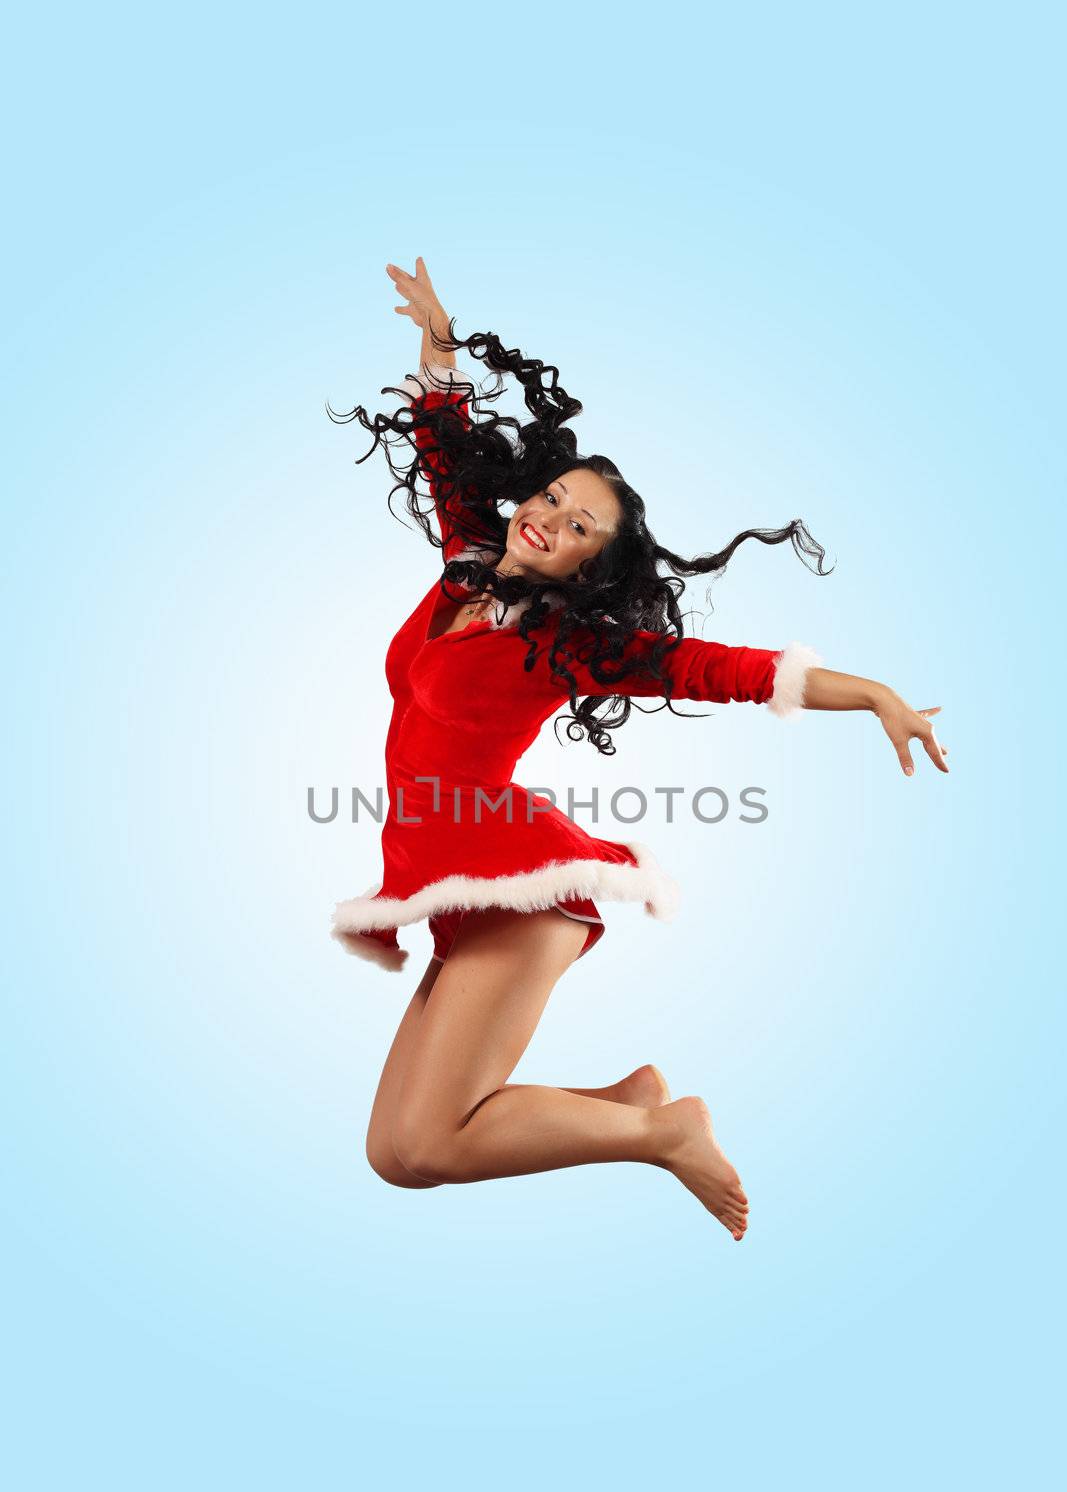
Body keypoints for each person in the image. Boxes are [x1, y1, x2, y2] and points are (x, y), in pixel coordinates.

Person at [325, 257, 949, 1241]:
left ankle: (660, 1131)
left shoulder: (571, 641)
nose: (549, 518)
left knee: (439, 1144)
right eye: (553, 498)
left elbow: (722, 669)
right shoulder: (465, 566)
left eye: (579, 526)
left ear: (589, 563)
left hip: (512, 886)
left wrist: (870, 693)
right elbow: (444, 447)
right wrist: (439, 342)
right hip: (442, 872)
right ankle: (629, 1097)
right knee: (394, 1157)